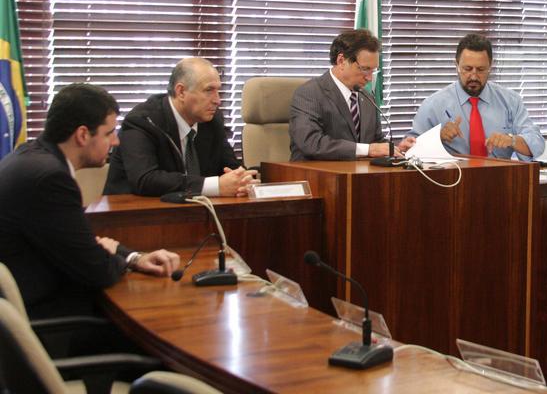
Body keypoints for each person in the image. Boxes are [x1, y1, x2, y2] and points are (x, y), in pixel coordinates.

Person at [0, 84, 180, 319]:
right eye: (109, 133)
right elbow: (98, 270)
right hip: (46, 316)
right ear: (83, 135)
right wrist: (110, 256)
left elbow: (81, 242)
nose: (115, 142)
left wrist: (134, 258)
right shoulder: (50, 179)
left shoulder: (30, 157)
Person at [105, 57, 257, 196]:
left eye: (218, 90)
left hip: (197, 210)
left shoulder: (212, 120)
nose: (217, 100)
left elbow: (231, 167)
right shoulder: (143, 121)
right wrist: (214, 186)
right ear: (181, 92)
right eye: (209, 90)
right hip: (136, 212)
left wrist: (242, 180)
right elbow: (145, 179)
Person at [406, 33, 545, 160]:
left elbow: (537, 143)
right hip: (454, 176)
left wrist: (512, 140)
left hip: (500, 175)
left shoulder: (510, 101)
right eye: (467, 69)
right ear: (457, 66)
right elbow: (410, 149)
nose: (473, 76)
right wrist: (438, 137)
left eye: (480, 69)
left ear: (490, 67)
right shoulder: (433, 105)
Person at [289, 29, 414, 161]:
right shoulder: (309, 93)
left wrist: (396, 149)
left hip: (358, 172)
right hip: (316, 172)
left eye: (373, 71)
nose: (370, 78)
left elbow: (375, 141)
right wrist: (368, 150)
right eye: (365, 69)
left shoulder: (366, 97)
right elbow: (311, 143)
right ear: (341, 61)